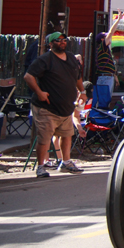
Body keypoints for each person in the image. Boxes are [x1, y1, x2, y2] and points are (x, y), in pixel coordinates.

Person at [23, 31, 85, 177]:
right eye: (58, 40)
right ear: (50, 44)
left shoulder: (70, 57)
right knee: (44, 138)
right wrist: (39, 92)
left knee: (67, 135)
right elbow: (28, 76)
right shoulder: (45, 59)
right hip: (47, 108)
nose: (62, 42)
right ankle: (41, 166)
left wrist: (82, 91)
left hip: (66, 107)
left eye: (64, 40)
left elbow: (77, 77)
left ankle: (66, 162)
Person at [93, 11, 124, 94]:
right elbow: (111, 32)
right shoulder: (102, 47)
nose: (109, 37)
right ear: (102, 40)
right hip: (105, 78)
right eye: (106, 37)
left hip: (108, 77)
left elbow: (110, 67)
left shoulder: (105, 50)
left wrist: (115, 77)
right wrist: (118, 19)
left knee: (106, 100)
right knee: (104, 101)